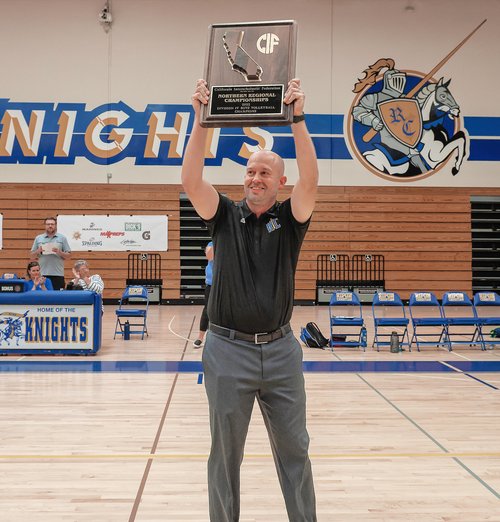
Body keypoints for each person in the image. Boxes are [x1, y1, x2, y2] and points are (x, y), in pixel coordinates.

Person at [182, 78, 318, 521]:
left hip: (281, 352)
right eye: (250, 171)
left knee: (296, 449)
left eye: (264, 172)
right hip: (226, 351)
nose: (255, 177)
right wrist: (201, 116)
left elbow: (312, 180)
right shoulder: (223, 214)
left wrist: (297, 117)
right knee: (224, 457)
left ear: (280, 181)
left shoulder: (291, 219)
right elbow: (190, 179)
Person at [30, 217, 71, 291]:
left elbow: (69, 256)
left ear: (55, 225)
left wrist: (60, 252)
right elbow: (32, 256)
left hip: (58, 274)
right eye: (48, 224)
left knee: (58, 299)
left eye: (52, 224)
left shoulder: (62, 238)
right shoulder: (38, 238)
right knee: (43, 298)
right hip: (42, 274)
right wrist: (38, 251)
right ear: (45, 225)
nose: (50, 226)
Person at [193, 241, 214, 348]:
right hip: (211, 284)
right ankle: (200, 337)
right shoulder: (211, 244)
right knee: (207, 310)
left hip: (226, 284)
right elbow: (209, 256)